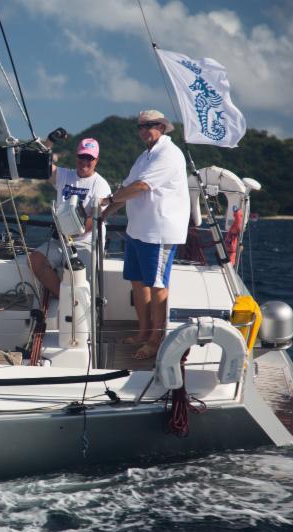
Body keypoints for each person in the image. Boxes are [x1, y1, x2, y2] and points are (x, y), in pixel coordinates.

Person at [101, 110, 189, 359]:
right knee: (137, 283)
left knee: (158, 286)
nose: (143, 130)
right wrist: (104, 214)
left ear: (162, 127)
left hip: (158, 232)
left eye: (149, 125)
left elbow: (141, 187)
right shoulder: (144, 157)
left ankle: (155, 339)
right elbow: (128, 188)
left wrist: (108, 199)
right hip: (138, 231)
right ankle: (143, 332)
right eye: (139, 126)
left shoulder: (169, 155)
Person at [30, 132, 112, 297]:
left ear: (96, 160)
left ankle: (79, 306)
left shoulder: (101, 185)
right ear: (76, 157)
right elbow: (38, 161)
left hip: (85, 243)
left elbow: (96, 219)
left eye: (90, 158)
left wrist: (71, 231)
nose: (85, 162)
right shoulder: (64, 175)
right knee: (35, 260)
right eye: (82, 156)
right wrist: (50, 141)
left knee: (81, 280)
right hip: (60, 241)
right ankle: (64, 298)